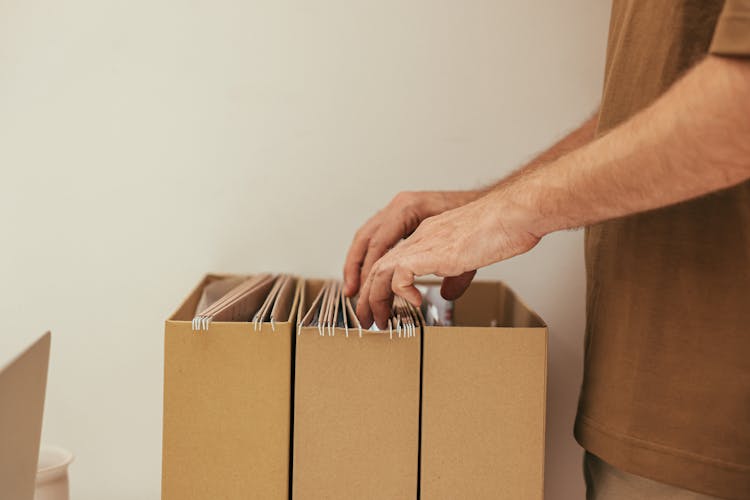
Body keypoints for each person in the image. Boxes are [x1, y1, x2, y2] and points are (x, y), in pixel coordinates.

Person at [342, 1, 750, 499]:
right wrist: (483, 203)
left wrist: (509, 213)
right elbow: (646, 107)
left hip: (718, 428)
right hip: (643, 411)